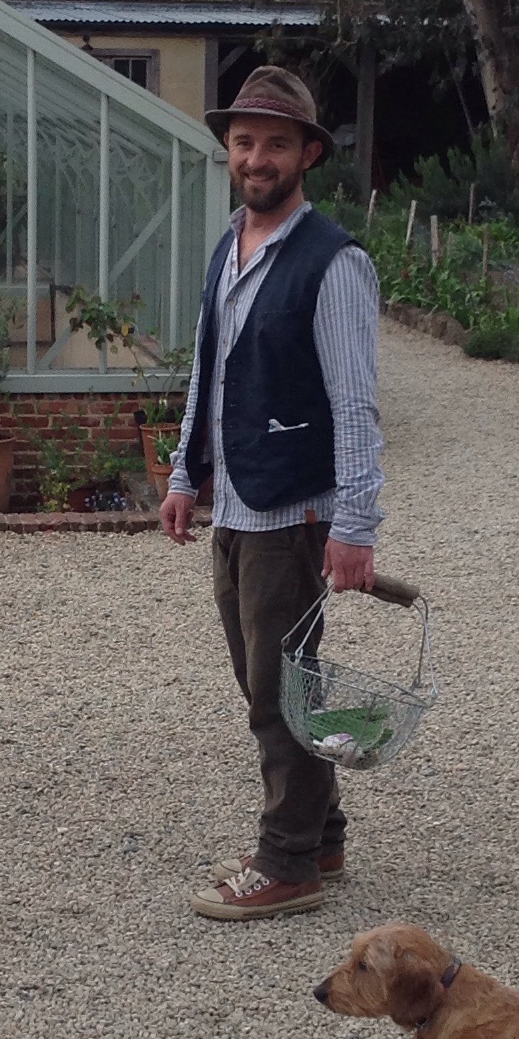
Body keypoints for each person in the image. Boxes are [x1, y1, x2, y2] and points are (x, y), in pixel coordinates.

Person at [160, 65, 383, 921]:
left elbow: (355, 405)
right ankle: (321, 833)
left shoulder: (335, 263)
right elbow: (209, 371)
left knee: (278, 691)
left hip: (293, 511)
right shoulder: (232, 244)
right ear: (229, 148)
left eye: (276, 143)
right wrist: (185, 473)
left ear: (308, 154)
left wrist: (355, 525)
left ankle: (287, 862)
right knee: (274, 681)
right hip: (238, 502)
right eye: (245, 141)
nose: (257, 158)